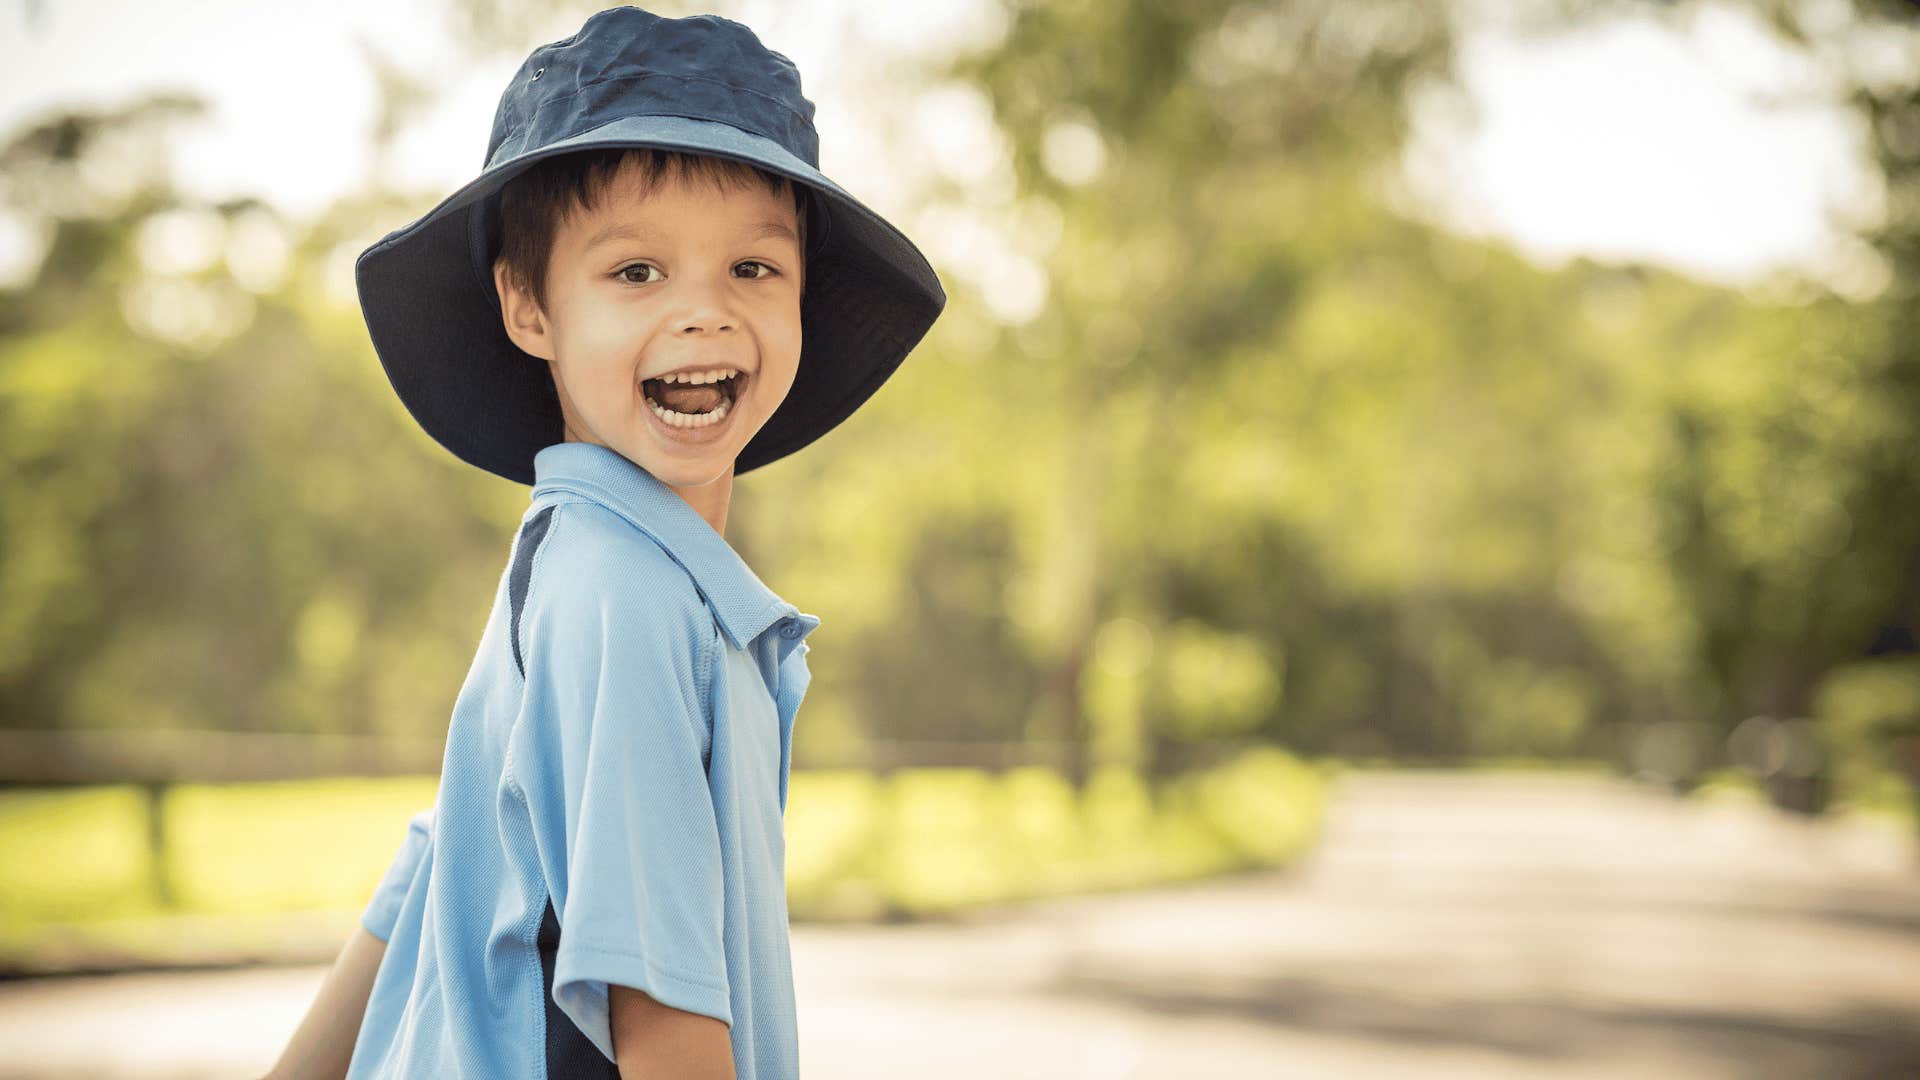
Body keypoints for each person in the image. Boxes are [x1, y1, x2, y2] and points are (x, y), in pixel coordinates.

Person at [262, 8, 944, 1079]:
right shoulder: (622, 594)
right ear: (530, 308)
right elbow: (662, 1020)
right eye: (637, 273)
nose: (704, 316)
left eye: (753, 271)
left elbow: (440, 865)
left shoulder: (576, 563)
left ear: (806, 296)